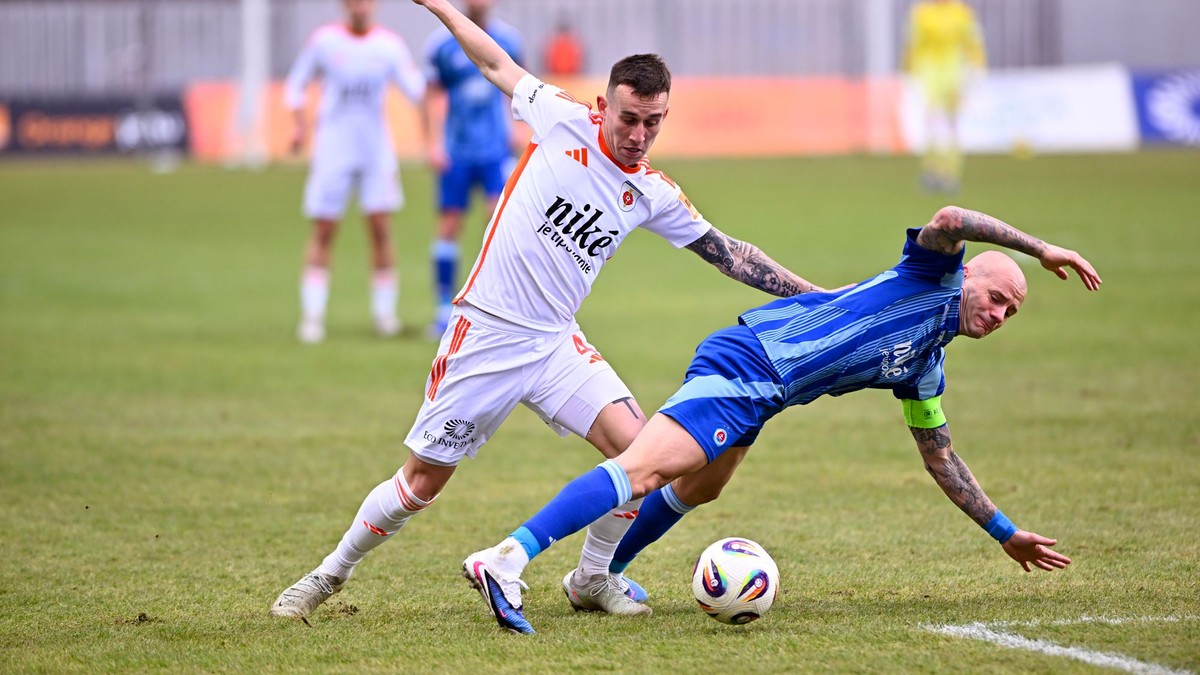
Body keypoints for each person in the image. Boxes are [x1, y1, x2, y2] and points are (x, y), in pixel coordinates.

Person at [270, 0, 826, 623]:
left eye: (653, 123)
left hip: (556, 343)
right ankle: (329, 574)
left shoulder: (652, 191)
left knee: (642, 457)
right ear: (601, 106)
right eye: (629, 119)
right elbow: (493, 61)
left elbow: (730, 254)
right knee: (420, 484)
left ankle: (591, 579)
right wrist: (439, 7)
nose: (638, 135)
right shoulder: (561, 119)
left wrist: (825, 301)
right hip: (486, 332)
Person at [462, 205, 1102, 634]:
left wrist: (1004, 532)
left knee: (702, 485)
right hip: (750, 360)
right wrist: (1041, 247)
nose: (997, 316)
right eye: (996, 298)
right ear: (969, 276)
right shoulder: (931, 274)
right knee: (647, 468)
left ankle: (592, 579)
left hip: (767, 391)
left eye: (1009, 315)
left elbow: (941, 457)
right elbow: (950, 216)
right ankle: (509, 558)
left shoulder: (925, 370)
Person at [286, 0, 426, 344]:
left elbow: (417, 90)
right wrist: (300, 126)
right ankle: (312, 317)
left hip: (375, 151)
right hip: (333, 149)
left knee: (380, 228)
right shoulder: (324, 42)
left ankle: (384, 316)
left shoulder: (389, 45)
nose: (360, 6)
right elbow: (295, 85)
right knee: (324, 229)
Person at [421, 0, 524, 338]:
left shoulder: (509, 40)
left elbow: (519, 88)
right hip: (457, 151)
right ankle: (441, 310)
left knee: (498, 222)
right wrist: (433, 143)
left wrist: (517, 129)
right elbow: (432, 95)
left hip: (495, 150)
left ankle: (497, 308)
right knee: (449, 225)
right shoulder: (441, 44)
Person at [901, 0, 986, 194]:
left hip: (954, 72)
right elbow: (913, 44)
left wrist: (977, 67)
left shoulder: (962, 12)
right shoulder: (922, 13)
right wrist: (907, 70)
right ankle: (931, 171)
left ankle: (951, 173)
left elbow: (973, 42)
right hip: (929, 73)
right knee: (931, 123)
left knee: (951, 123)